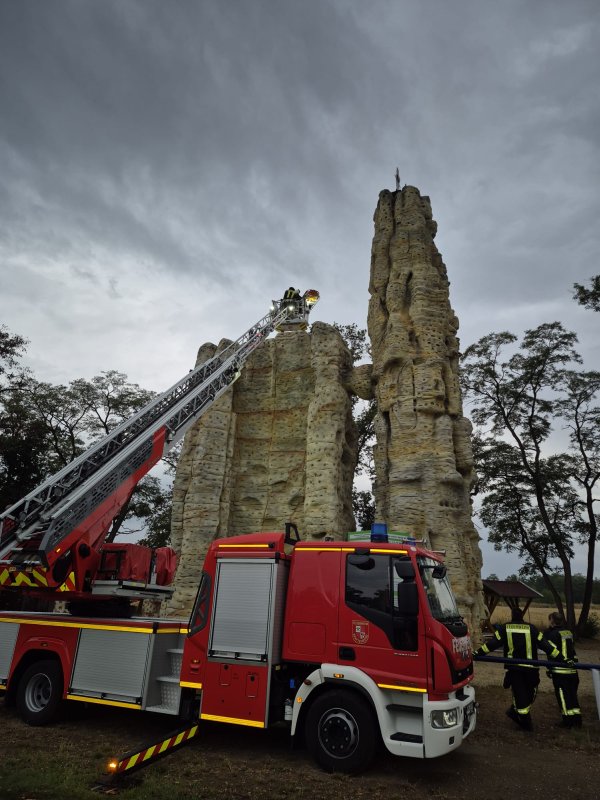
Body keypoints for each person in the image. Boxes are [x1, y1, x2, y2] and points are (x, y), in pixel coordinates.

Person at [473, 607, 563, 731]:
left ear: (512, 616)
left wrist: (477, 654)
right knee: (530, 694)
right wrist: (560, 657)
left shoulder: (505, 628)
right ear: (522, 616)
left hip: (514, 669)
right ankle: (524, 721)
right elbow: (545, 645)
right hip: (531, 669)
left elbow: (492, 645)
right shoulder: (532, 628)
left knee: (519, 695)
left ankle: (519, 715)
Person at [545, 612, 582, 728]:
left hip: (560, 672)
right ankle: (577, 719)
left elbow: (552, 652)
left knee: (563, 697)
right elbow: (572, 650)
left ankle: (567, 721)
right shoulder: (568, 632)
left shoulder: (552, 635)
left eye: (549, 619)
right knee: (572, 696)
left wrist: (550, 668)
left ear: (552, 621)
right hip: (572, 671)